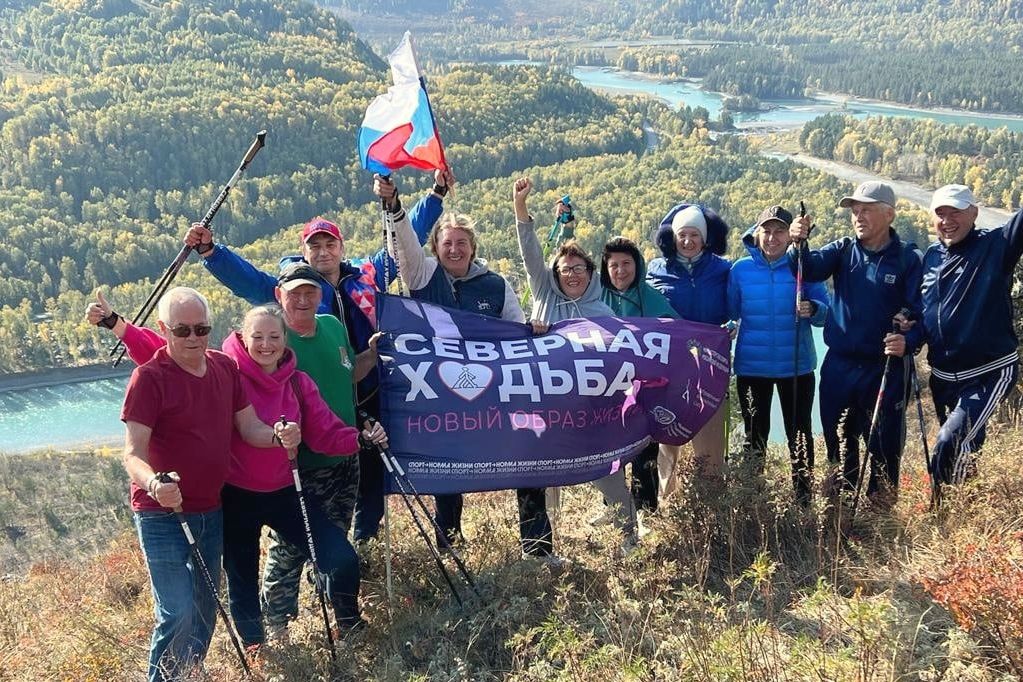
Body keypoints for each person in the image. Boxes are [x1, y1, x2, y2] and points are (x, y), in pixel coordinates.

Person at [90, 265, 385, 643]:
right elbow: (165, 350)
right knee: (241, 578)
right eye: (257, 337)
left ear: (285, 340)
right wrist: (118, 325)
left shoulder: (295, 381)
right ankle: (256, 645)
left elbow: (325, 431)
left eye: (274, 337)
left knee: (338, 555)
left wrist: (359, 439)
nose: (266, 345)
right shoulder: (227, 368)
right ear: (243, 338)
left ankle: (349, 625)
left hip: (283, 489)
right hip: (234, 495)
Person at [184, 175, 449, 542]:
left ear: (341, 247)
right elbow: (249, 280)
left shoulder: (369, 275)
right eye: (315, 245)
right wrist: (212, 252)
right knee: (316, 492)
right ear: (304, 251)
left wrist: (434, 196)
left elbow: (405, 238)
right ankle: (318, 550)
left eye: (330, 244)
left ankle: (362, 547)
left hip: (368, 393)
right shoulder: (293, 289)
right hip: (315, 407)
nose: (323, 252)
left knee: (370, 476)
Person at [119, 287, 300, 681]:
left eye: (201, 329)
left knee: (205, 607)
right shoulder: (148, 378)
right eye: (182, 330)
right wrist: (154, 485)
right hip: (161, 513)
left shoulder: (224, 367)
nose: (194, 338)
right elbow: (132, 455)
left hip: (210, 509)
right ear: (163, 329)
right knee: (177, 611)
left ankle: (190, 673)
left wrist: (278, 434)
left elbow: (249, 427)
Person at [377, 176, 554, 555]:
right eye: (447, 243)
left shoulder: (495, 285)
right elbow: (404, 244)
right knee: (447, 474)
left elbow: (515, 333)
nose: (454, 250)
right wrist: (394, 205)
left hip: (494, 395)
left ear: (473, 247)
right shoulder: (422, 275)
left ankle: (538, 547)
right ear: (435, 248)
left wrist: (534, 330)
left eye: (461, 243)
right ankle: (450, 546)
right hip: (441, 397)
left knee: (527, 460)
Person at [514, 177, 638, 551]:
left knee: (607, 472)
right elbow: (530, 251)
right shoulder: (543, 294)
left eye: (579, 268)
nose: (572, 274)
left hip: (588, 411)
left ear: (590, 273)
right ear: (555, 275)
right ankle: (538, 550)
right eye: (565, 269)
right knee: (533, 476)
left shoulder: (603, 313)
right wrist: (521, 207)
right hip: (543, 405)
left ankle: (629, 537)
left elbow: (621, 360)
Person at [788, 181, 922, 506]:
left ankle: (880, 513)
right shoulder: (844, 249)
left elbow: (920, 309)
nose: (858, 217)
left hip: (885, 366)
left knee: (884, 445)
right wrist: (797, 243)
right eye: (855, 211)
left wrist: (909, 334)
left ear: (889, 214)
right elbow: (809, 268)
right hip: (840, 364)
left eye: (866, 210)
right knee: (838, 440)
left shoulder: (908, 258)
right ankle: (840, 509)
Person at [917, 185, 1023, 488]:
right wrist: (907, 327)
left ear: (974, 213)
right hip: (943, 377)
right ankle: (965, 498)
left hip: (988, 372)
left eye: (956, 212)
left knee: (950, 440)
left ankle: (943, 506)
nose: (947, 220)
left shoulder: (996, 245)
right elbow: (924, 310)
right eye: (941, 213)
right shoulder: (931, 256)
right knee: (965, 444)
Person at [727, 206, 830, 504]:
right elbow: (730, 312)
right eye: (767, 231)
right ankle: (753, 500)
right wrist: (727, 326)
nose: (772, 238)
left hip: (795, 366)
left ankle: (803, 500)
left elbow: (826, 313)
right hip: (752, 368)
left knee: (800, 437)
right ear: (756, 233)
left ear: (790, 235)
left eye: (780, 231)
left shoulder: (804, 266)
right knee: (754, 438)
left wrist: (813, 309)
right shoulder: (740, 270)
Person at [646, 203, 732, 487]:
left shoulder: (723, 270)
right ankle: (667, 499)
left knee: (711, 438)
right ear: (672, 238)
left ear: (705, 238)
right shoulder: (655, 270)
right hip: (670, 369)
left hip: (711, 367)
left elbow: (736, 308)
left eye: (694, 234)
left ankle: (710, 498)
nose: (687, 241)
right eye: (682, 234)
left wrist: (733, 326)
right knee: (667, 436)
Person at [599, 236, 678, 515]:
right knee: (611, 453)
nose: (620, 271)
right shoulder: (596, 298)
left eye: (626, 264)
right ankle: (613, 510)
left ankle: (647, 512)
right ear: (606, 269)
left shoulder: (651, 298)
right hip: (607, 391)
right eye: (614, 265)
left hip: (645, 392)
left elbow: (678, 333)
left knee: (645, 452)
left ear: (638, 266)